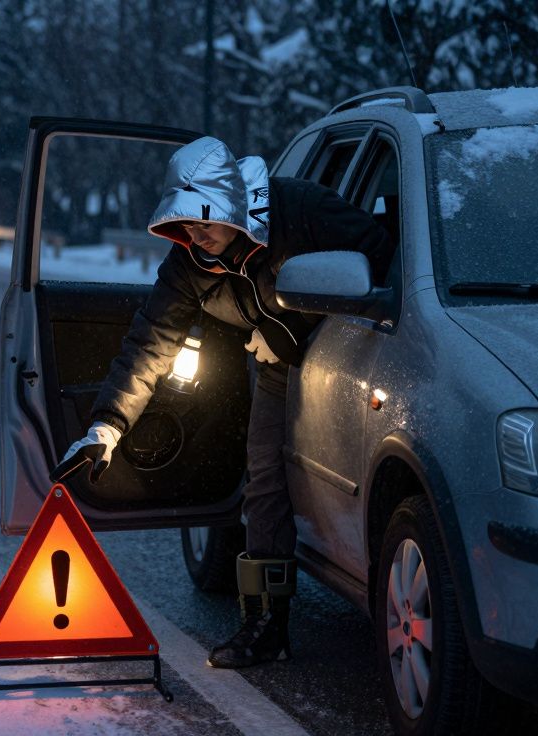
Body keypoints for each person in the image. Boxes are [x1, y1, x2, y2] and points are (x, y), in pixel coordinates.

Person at [51, 136, 392, 669]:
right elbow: (150, 342)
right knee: (265, 480)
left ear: (231, 204)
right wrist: (107, 426)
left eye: (202, 220)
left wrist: (298, 329)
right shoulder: (189, 262)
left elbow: (383, 272)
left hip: (348, 357)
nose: (194, 234)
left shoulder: (301, 210)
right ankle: (265, 624)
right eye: (184, 224)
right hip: (277, 369)